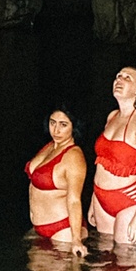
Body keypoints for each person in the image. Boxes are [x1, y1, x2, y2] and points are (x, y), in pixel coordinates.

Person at [88, 67, 136, 244]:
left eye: (127, 78)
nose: (119, 80)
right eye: (118, 76)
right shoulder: (112, 116)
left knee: (127, 265)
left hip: (129, 202)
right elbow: (102, 162)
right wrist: (93, 200)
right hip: (101, 198)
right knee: (103, 264)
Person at [25, 106, 88, 256]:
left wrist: (76, 240)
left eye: (63, 125)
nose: (56, 130)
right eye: (53, 123)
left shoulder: (73, 156)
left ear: (74, 127)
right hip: (40, 228)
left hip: (63, 230)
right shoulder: (51, 146)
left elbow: (74, 200)